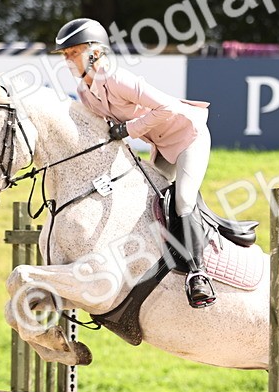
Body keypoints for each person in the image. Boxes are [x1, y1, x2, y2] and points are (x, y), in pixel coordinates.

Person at [52, 17, 217, 309]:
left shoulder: (115, 78)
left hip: (188, 136)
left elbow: (166, 108)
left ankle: (197, 273)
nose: (68, 60)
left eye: (73, 52)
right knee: (145, 201)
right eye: (66, 55)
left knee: (182, 200)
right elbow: (106, 134)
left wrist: (129, 130)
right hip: (162, 146)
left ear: (95, 51)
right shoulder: (84, 92)